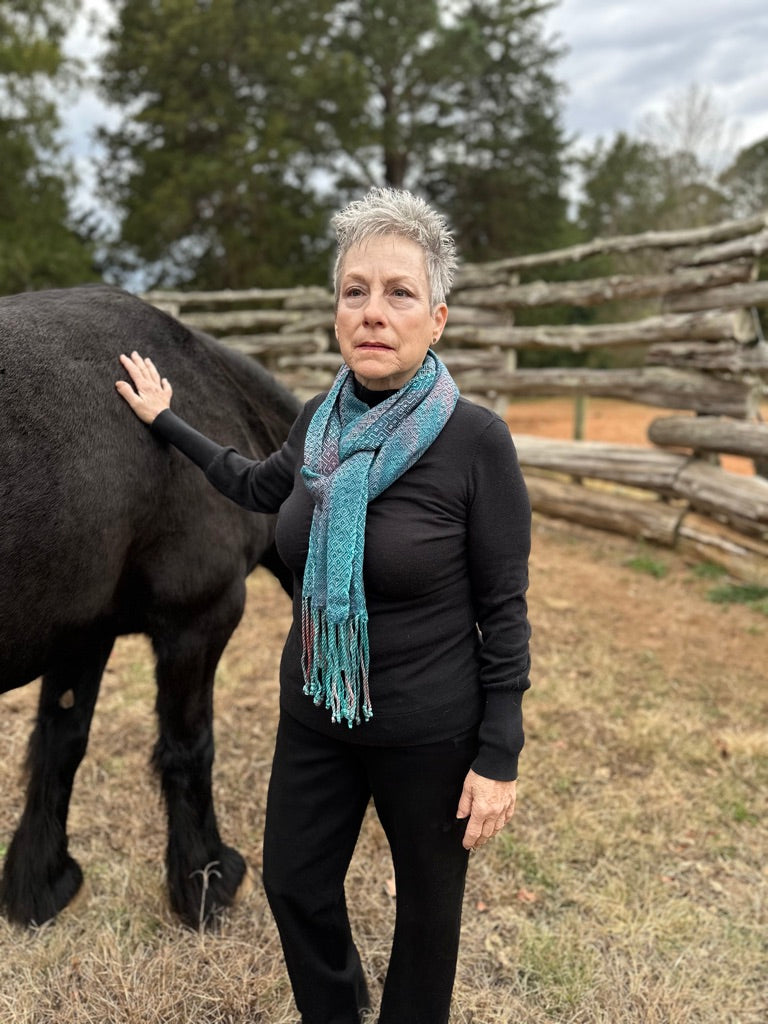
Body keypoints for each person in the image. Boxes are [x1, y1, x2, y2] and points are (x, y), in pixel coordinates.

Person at [115, 187, 531, 1024]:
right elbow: (251, 483)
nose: (374, 312)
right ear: (337, 313)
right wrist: (167, 420)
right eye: (355, 291)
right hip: (316, 713)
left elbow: (506, 610)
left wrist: (498, 757)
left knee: (425, 919)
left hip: (430, 732)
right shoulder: (319, 424)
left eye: (399, 292)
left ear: (438, 317)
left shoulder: (476, 443)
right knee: (293, 883)